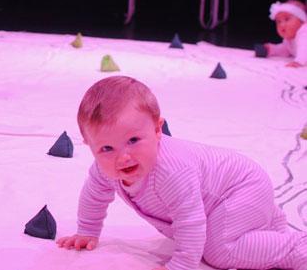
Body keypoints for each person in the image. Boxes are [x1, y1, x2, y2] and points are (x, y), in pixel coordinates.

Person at [57, 76, 307, 270]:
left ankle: (297, 247)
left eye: (133, 140)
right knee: (210, 236)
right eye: (106, 148)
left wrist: (183, 264)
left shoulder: (171, 170)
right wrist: (87, 231)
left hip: (242, 188)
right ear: (89, 145)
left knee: (218, 251)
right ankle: (269, 229)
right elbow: (94, 196)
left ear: (158, 130)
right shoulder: (103, 169)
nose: (122, 157)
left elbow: (190, 220)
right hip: (227, 197)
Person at [264, 0, 307, 67]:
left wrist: (299, 61)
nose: (282, 25)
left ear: (302, 21)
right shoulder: (289, 39)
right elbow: (285, 50)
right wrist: (271, 49)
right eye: (278, 22)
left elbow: (304, 48)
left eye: (287, 19)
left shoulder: (304, 32)